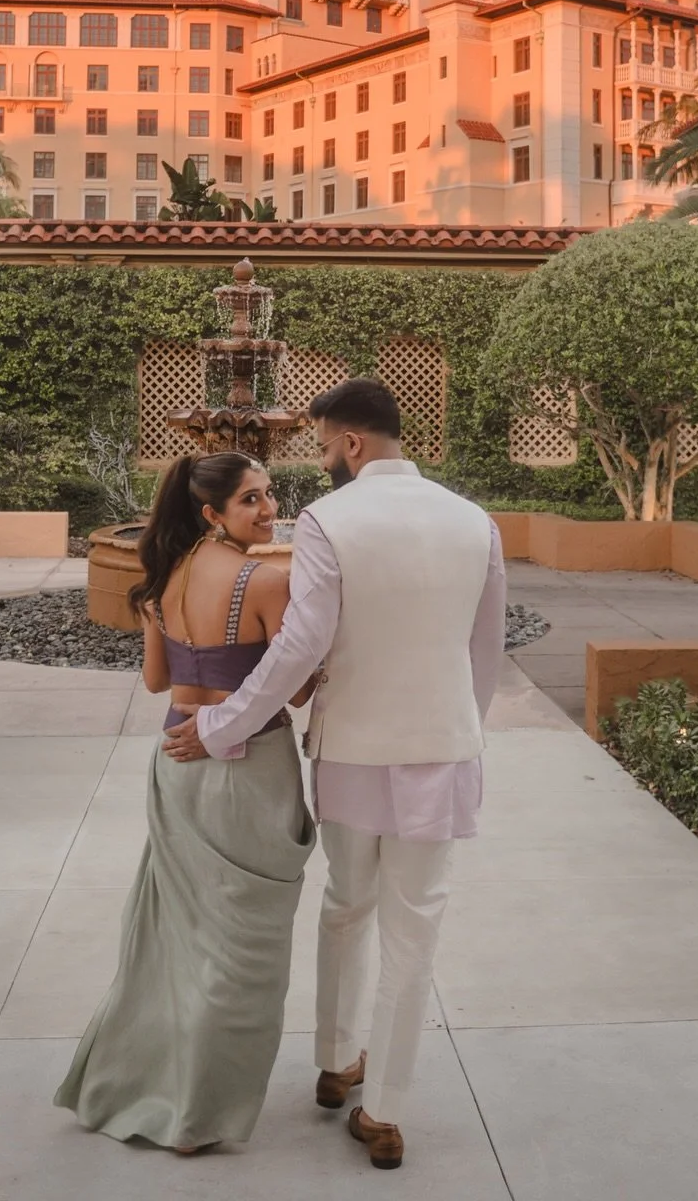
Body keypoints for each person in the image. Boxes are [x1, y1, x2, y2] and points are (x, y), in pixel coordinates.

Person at [164, 377, 505, 1172]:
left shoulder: (330, 519)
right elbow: (485, 653)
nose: (321, 463)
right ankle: (384, 1111)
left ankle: (334, 1060)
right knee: (414, 928)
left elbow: (298, 649)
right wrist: (461, 729)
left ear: (351, 443)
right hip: (443, 746)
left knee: (347, 904)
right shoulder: (473, 522)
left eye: (321, 447)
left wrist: (219, 726)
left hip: (352, 745)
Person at [54, 450, 316, 1154]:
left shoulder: (164, 576)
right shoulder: (271, 580)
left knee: (177, 940)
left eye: (268, 496)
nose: (269, 510)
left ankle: (139, 1084)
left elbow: (154, 678)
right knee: (242, 948)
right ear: (212, 513)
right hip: (248, 766)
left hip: (174, 763)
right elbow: (294, 688)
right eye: (251, 501)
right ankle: (198, 1114)